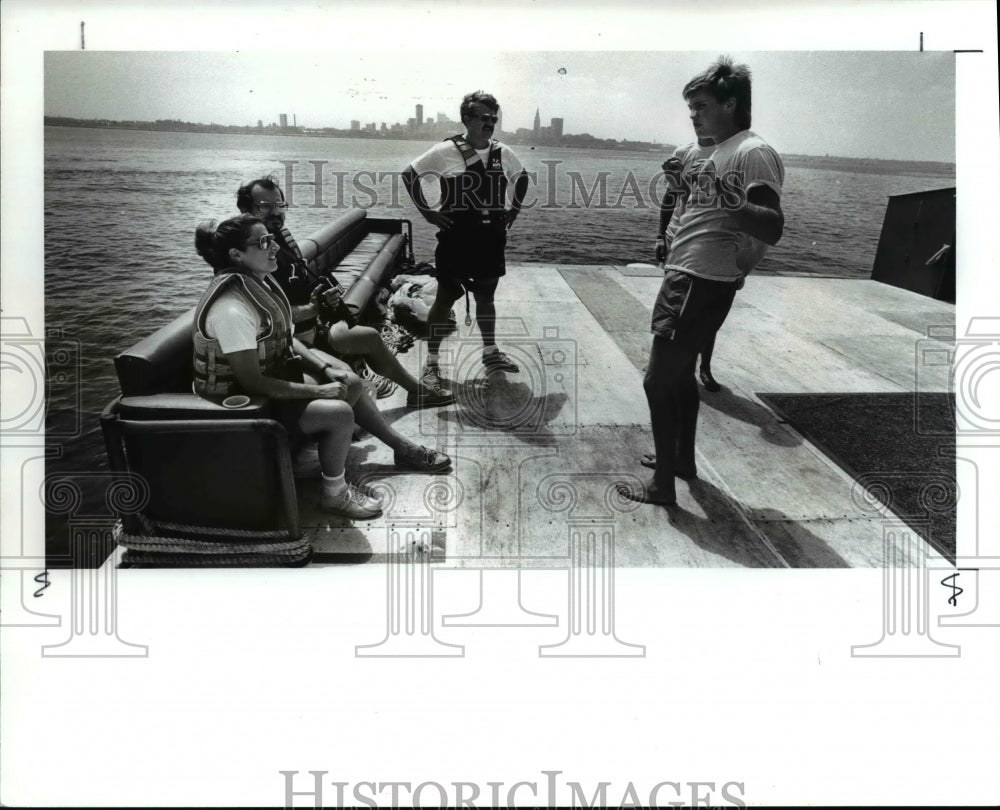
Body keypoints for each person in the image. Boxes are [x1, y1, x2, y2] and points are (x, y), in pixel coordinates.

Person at [192, 215, 452, 519]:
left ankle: (400, 448)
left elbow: (287, 340)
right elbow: (252, 383)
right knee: (339, 413)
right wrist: (318, 390)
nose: (274, 245)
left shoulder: (257, 286)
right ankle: (335, 494)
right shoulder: (232, 311)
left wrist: (324, 370)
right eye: (263, 242)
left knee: (350, 381)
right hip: (242, 409)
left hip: (265, 391)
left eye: (271, 238)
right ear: (236, 255)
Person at [620, 56, 785, 505]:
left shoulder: (752, 152)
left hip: (700, 278)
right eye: (690, 107)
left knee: (657, 381)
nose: (693, 114)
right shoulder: (704, 151)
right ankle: (682, 461)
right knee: (680, 378)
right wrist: (679, 199)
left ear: (731, 104)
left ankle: (663, 486)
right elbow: (684, 199)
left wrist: (724, 194)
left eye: (702, 105)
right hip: (687, 272)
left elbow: (771, 225)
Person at [235, 177, 454, 408]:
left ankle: (417, 392)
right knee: (349, 374)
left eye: (279, 205)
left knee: (370, 336)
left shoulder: (280, 241)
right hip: (291, 340)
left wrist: (321, 300)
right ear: (245, 210)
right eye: (265, 206)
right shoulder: (253, 257)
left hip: (312, 326)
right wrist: (312, 309)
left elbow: (296, 287)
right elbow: (266, 318)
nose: (275, 212)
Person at [401, 90, 530, 389]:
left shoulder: (503, 153)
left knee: (486, 297)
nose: (490, 123)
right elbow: (410, 175)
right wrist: (428, 213)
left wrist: (515, 208)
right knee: (445, 299)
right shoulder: (444, 151)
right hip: (456, 238)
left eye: (494, 118)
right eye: (484, 118)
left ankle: (490, 353)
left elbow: (522, 177)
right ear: (466, 119)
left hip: (491, 239)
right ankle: (432, 362)